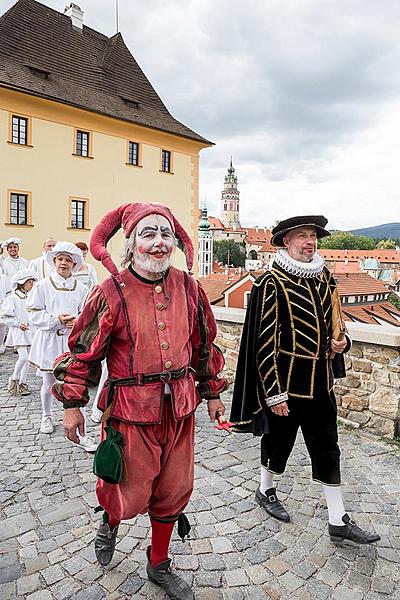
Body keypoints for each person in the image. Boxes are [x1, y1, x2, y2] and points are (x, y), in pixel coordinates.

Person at [51, 202, 227, 600]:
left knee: (175, 488)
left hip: (179, 407)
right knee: (126, 490)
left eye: (165, 233)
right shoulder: (109, 291)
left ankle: (158, 562)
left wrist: (212, 393)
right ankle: (111, 520)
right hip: (129, 411)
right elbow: (83, 352)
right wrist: (71, 403)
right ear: (130, 244)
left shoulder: (189, 287)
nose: (159, 242)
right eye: (148, 234)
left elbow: (203, 346)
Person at [230, 215, 381, 545]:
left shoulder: (325, 277)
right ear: (287, 241)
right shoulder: (272, 282)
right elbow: (264, 342)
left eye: (313, 236)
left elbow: (337, 325)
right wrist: (274, 393)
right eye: (302, 236)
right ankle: (265, 489)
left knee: (328, 447)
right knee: (278, 442)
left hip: (321, 383)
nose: (310, 241)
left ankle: (338, 519)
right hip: (286, 384)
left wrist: (343, 344)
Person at [27, 241, 97, 452]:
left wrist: (78, 322)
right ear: (54, 261)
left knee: (76, 384)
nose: (63, 263)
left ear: (74, 263)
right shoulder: (42, 285)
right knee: (49, 381)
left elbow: (87, 313)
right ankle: (46, 416)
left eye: (68, 260)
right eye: (60, 259)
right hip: (49, 340)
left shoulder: (82, 288)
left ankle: (82, 433)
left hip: (71, 342)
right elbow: (33, 312)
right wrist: (55, 319)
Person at [1, 269, 38, 395]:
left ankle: (23, 382)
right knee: (23, 357)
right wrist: (18, 324)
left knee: (28, 359)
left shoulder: (31, 297)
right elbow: (5, 316)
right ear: (22, 283)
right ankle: (14, 379)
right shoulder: (13, 298)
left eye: (33, 281)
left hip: (30, 331)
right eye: (29, 282)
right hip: (19, 332)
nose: (32, 284)